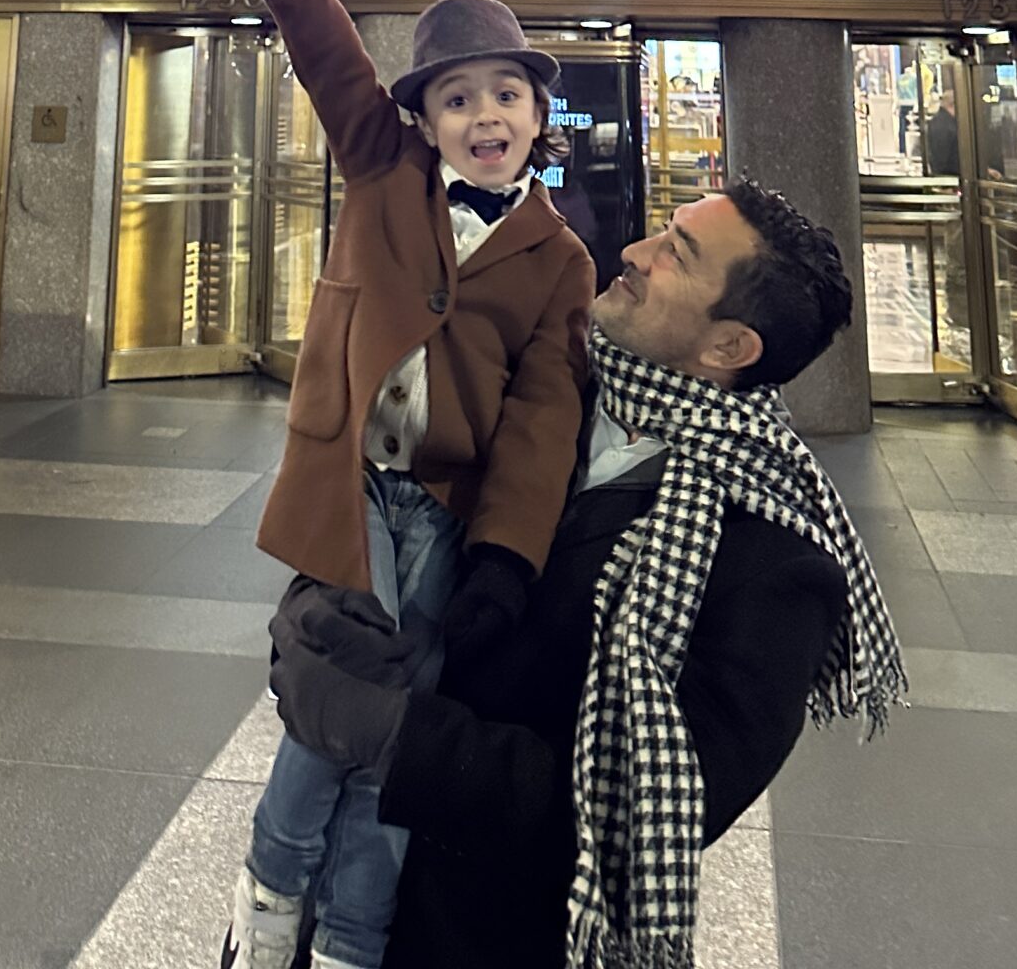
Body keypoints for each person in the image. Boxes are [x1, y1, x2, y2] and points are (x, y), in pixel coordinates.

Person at [268, 179, 907, 969]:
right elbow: (389, 484)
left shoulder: (775, 563)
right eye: (660, 231)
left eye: (677, 254)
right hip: (326, 879)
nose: (635, 252)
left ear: (730, 348)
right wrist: (313, 607)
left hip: (475, 934)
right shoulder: (538, 390)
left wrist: (393, 736)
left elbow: (641, 819)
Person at [221, 0, 598, 969]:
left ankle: (355, 933)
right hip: (354, 483)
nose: (485, 116)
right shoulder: (384, 173)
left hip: (446, 504)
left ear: (537, 113)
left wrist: (507, 559)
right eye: (458, 99)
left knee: (409, 724)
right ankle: (276, 876)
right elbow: (330, 56)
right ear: (423, 118)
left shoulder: (561, 258)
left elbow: (544, 412)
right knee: (350, 687)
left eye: (506, 95)